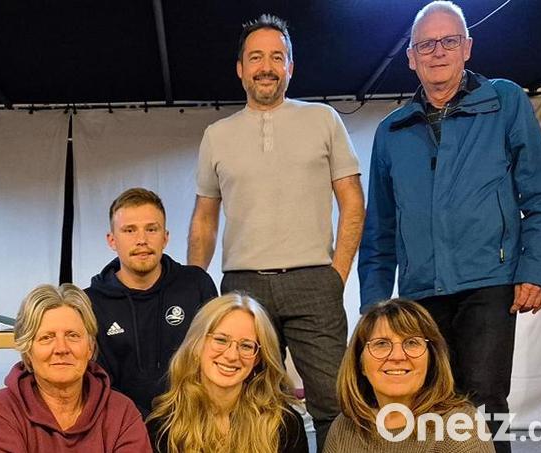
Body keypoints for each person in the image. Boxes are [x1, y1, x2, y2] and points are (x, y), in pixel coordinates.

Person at [357, 2, 541, 451]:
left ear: (467, 48)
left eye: (449, 40)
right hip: (421, 292)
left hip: (489, 281)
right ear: (410, 57)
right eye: (425, 44)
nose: (438, 52)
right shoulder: (392, 131)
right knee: (427, 405)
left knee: (483, 402)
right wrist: (374, 306)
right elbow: (380, 230)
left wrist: (535, 269)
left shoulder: (504, 102)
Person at [187, 13, 365, 449]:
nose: (266, 66)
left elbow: (353, 203)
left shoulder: (324, 120)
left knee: (333, 405)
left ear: (290, 66)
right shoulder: (216, 135)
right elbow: (205, 217)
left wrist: (334, 277)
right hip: (242, 286)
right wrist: (194, 285)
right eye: (255, 58)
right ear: (240, 69)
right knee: (241, 398)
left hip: (314, 282)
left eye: (276, 57)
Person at [0, 284, 151, 452]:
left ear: (90, 347)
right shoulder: (4, 410)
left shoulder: (121, 413)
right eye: (47, 337)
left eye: (72, 335)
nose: (61, 349)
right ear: (27, 352)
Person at [86, 188, 217, 415]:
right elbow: (93, 384)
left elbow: (216, 357)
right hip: (122, 428)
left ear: (165, 237)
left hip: (193, 423)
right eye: (129, 230)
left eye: (151, 229)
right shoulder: (91, 302)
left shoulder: (197, 285)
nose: (142, 240)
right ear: (112, 240)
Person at [324, 299, 494, 452]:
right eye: (381, 344)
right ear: (360, 363)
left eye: (412, 342)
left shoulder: (461, 426)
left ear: (431, 359)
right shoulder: (343, 427)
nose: (397, 356)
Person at [146, 293, 308, 453]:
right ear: (196, 344)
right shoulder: (163, 425)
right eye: (221, 340)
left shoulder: (285, 424)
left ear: (257, 358)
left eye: (246, 346)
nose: (232, 356)